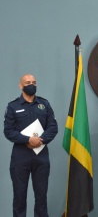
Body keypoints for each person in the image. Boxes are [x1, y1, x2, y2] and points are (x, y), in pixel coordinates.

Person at [4, 74, 58, 217]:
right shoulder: (13, 106)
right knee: (19, 197)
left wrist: (40, 140)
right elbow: (8, 131)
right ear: (20, 86)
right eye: (28, 82)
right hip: (20, 157)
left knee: (41, 198)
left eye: (34, 82)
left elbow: (53, 127)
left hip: (41, 156)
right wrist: (28, 140)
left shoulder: (44, 104)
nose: (31, 85)